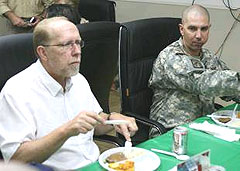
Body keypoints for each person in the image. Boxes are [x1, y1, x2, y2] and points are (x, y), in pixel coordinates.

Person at [0, 17, 138, 170]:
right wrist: (66, 131)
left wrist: (112, 119)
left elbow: (95, 125)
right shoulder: (17, 91)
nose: (77, 52)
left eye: (78, 43)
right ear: (43, 52)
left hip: (94, 163)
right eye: (66, 45)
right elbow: (16, 158)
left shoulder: (77, 79)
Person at [148, 4, 240, 137]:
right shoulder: (171, 57)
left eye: (204, 29)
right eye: (192, 28)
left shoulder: (207, 57)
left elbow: (229, 88)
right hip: (172, 132)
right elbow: (200, 82)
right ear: (181, 29)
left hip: (204, 127)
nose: (198, 35)